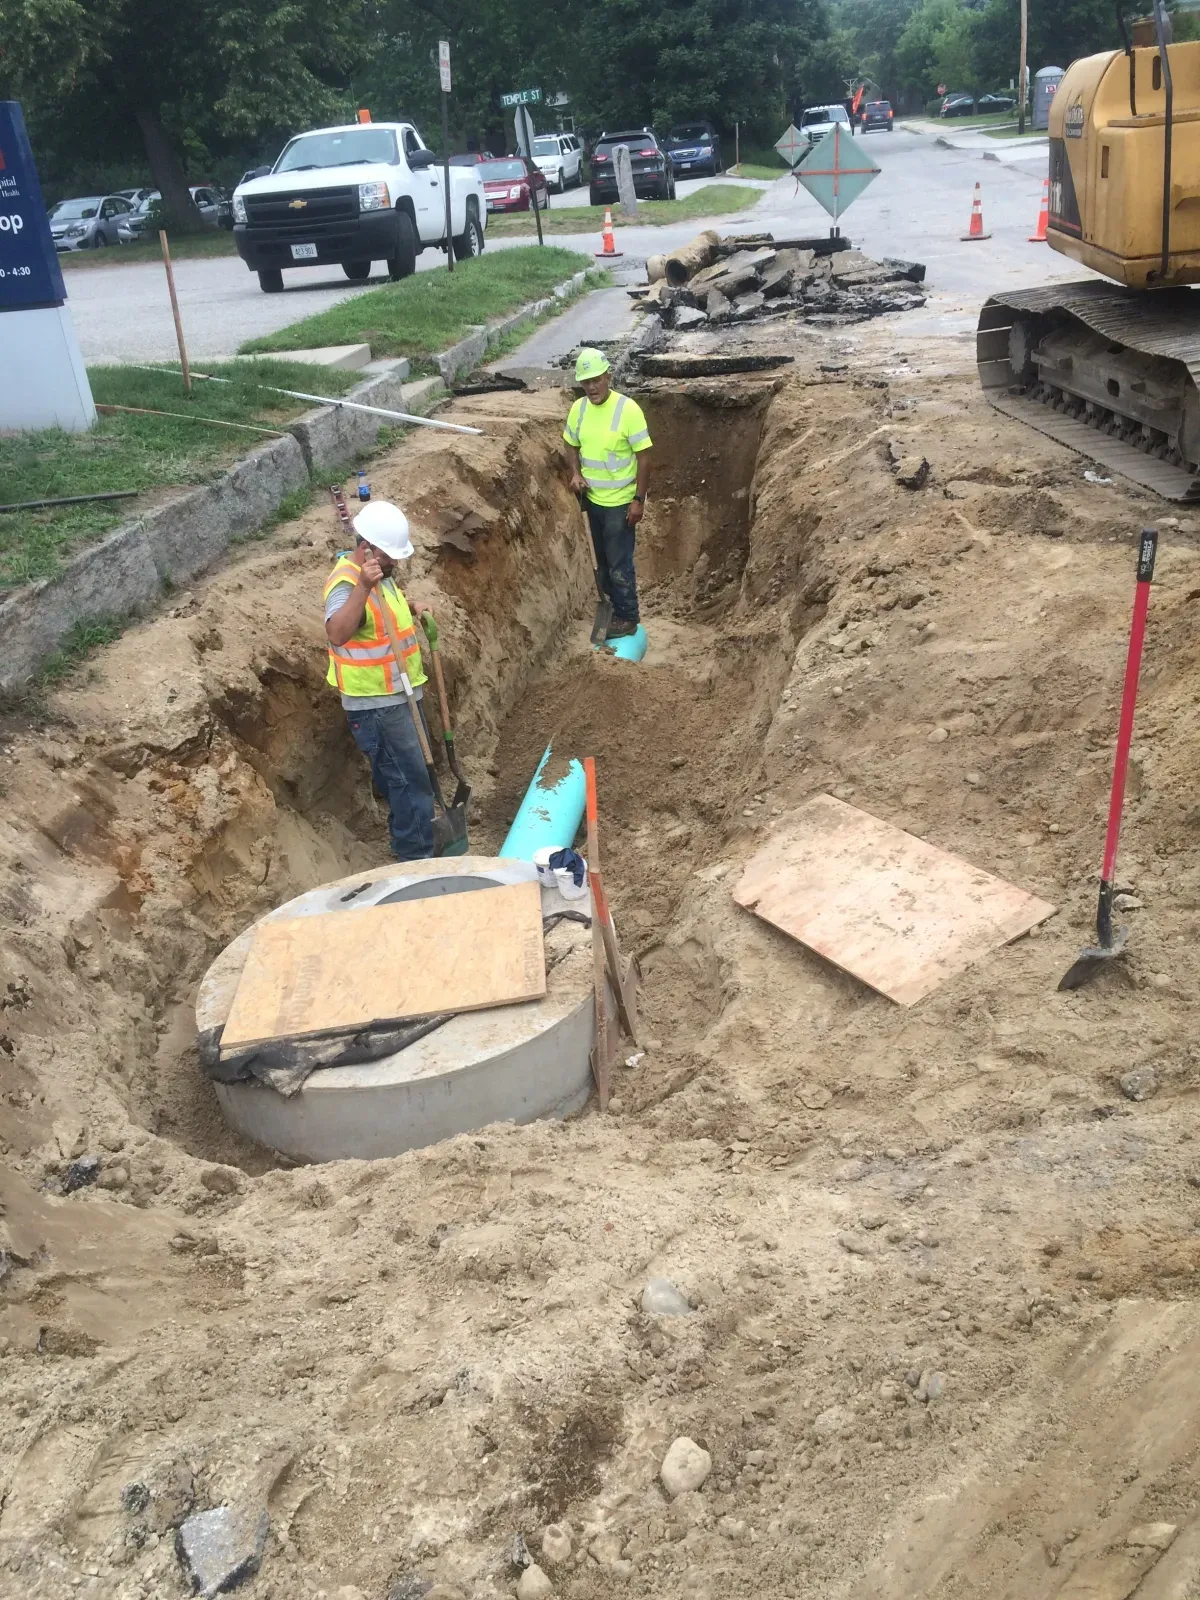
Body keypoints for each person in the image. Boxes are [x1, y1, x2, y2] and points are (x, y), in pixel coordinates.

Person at [323, 499, 435, 861]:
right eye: (390, 557)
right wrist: (362, 588)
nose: (395, 564)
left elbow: (384, 609)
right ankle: (416, 859)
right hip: (377, 705)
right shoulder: (347, 582)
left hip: (399, 693)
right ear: (366, 548)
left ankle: (409, 839)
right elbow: (337, 632)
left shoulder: (379, 576)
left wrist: (413, 604)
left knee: (406, 777)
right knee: (408, 779)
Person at [563, 348, 652, 639]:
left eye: (596, 380)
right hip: (592, 502)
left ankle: (628, 617)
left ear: (608, 377)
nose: (591, 387)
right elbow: (570, 444)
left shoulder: (628, 410)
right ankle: (612, 608)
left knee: (618, 564)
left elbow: (645, 457)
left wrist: (638, 500)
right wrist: (575, 473)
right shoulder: (578, 409)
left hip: (620, 504)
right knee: (601, 563)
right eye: (585, 381)